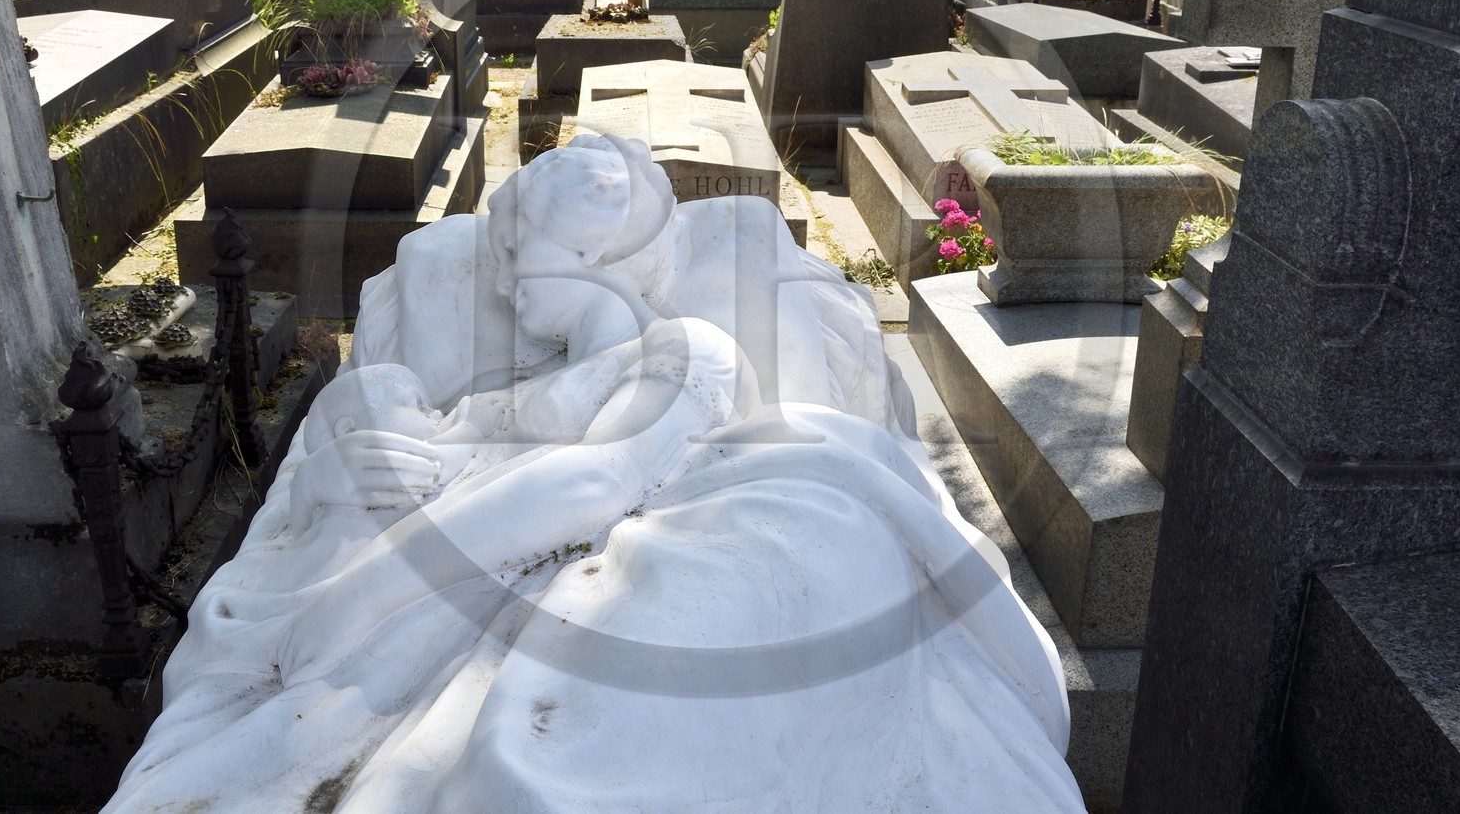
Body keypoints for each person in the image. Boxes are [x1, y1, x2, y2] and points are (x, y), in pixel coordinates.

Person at [103, 138, 1088, 813]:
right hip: (486, 581)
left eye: (514, 250)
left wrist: (361, 594)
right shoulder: (501, 396)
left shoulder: (682, 349)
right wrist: (346, 468)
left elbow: (589, 486)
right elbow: (417, 471)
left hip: (639, 561)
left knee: (536, 758)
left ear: (587, 250)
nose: (498, 277)